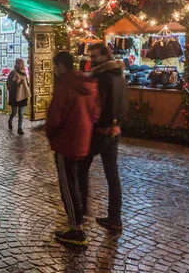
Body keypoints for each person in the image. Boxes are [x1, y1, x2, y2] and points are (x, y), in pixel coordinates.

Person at [46, 51, 100, 247]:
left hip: (66, 140)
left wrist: (51, 134)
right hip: (84, 138)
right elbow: (95, 113)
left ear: (60, 65)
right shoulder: (87, 82)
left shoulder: (64, 84)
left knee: (67, 185)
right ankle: (80, 217)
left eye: (55, 66)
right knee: (76, 180)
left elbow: (55, 115)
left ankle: (76, 229)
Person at [78, 43, 129, 231]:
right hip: (114, 131)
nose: (91, 59)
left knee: (81, 168)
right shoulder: (120, 77)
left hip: (98, 132)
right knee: (112, 175)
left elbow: (94, 107)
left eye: (94, 56)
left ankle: (80, 210)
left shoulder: (101, 78)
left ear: (103, 56)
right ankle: (115, 217)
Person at [7, 58, 30, 135]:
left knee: (21, 112)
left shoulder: (24, 73)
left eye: (23, 63)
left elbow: (26, 83)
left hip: (22, 95)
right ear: (17, 64)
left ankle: (19, 128)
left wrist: (25, 84)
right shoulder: (13, 73)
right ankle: (10, 121)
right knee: (14, 112)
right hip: (14, 96)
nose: (22, 65)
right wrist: (15, 82)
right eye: (20, 63)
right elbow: (8, 84)